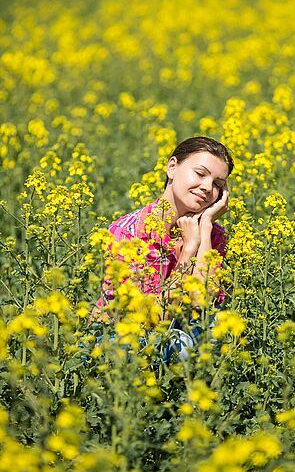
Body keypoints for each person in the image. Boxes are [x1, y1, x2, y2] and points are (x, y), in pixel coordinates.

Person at [88, 135, 234, 363]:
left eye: (217, 184)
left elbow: (203, 304)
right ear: (172, 167)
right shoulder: (129, 232)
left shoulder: (213, 234)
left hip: (175, 333)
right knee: (178, 343)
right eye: (200, 174)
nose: (207, 187)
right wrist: (188, 251)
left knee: (219, 327)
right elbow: (151, 320)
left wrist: (204, 228)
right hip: (120, 340)